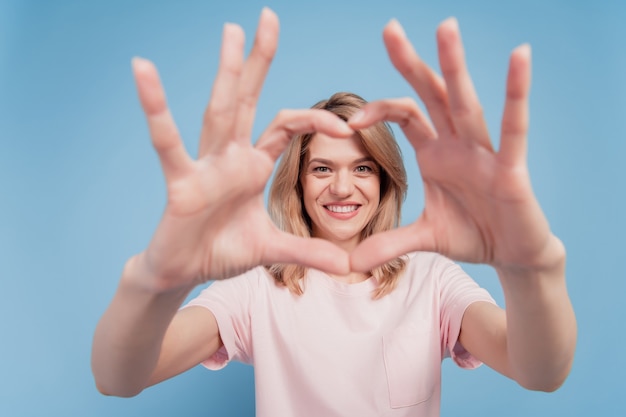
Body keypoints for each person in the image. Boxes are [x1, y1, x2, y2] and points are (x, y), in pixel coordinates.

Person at [91, 7, 577, 417]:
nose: (342, 187)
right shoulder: (258, 286)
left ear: (385, 180)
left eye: (363, 168)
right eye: (322, 167)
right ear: (298, 182)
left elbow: (540, 373)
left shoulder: (432, 280)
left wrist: (532, 272)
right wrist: (157, 282)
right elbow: (119, 378)